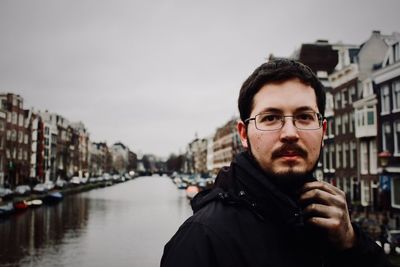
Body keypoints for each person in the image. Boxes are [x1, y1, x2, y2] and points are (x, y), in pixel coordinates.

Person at [160, 58, 390, 267]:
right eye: (270, 118)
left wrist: (352, 245)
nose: (290, 133)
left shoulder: (339, 232)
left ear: (323, 130)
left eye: (304, 117)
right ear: (243, 134)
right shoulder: (201, 239)